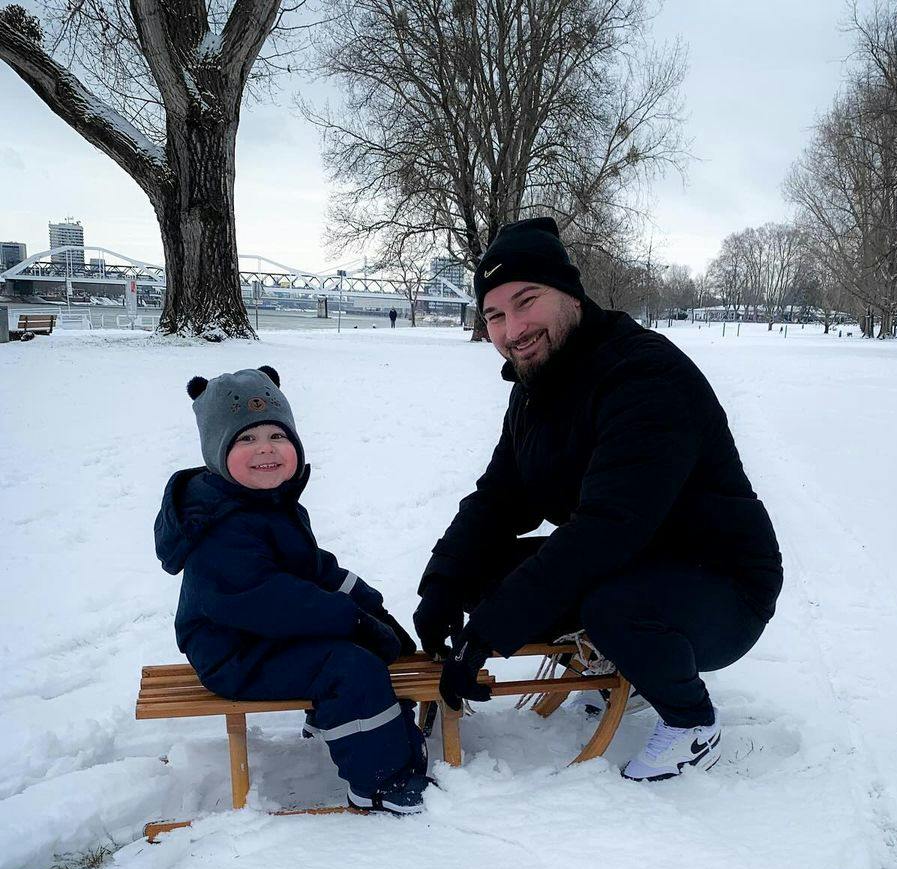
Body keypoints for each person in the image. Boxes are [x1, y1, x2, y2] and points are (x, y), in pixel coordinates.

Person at [414, 218, 782, 781]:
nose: (512, 328)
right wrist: (443, 590)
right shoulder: (537, 387)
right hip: (633, 562)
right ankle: (624, 658)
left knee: (613, 608)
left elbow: (608, 529)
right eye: (494, 315)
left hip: (722, 585)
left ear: (570, 294)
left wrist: (489, 633)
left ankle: (690, 721)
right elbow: (497, 499)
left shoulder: (644, 375)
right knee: (487, 570)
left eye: (526, 301)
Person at [155, 365, 428, 813]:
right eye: (245, 440)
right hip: (235, 654)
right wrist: (353, 622)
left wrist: (368, 605)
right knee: (349, 667)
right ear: (216, 453)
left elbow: (313, 568)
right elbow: (271, 598)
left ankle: (347, 723)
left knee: (356, 653)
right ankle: (380, 783)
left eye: (276, 437)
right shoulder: (220, 528)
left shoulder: (269, 504)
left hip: (268, 640)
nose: (265, 450)